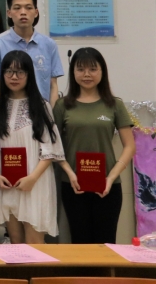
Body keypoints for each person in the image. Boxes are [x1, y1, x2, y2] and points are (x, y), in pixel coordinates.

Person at [54, 47, 134, 245]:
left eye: (92, 69)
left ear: (102, 71)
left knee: (106, 244)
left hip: (108, 186)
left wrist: (111, 178)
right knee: (79, 243)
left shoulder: (115, 104)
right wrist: (69, 173)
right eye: (80, 69)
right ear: (73, 72)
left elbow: (130, 146)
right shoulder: (63, 105)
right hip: (73, 185)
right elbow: (53, 146)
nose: (87, 74)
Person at [0, 50, 64, 244]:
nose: (14, 77)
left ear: (29, 74)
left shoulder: (41, 106)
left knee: (35, 244)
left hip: (35, 183)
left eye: (20, 72)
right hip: (7, 183)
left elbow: (51, 149)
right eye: (9, 71)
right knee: (16, 243)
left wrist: (32, 178)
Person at [0, 0, 63, 106]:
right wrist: (3, 112)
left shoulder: (49, 44)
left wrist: (51, 113)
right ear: (9, 13)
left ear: (36, 12)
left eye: (28, 8)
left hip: (41, 110)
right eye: (17, 8)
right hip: (9, 112)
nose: (23, 12)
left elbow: (53, 85)